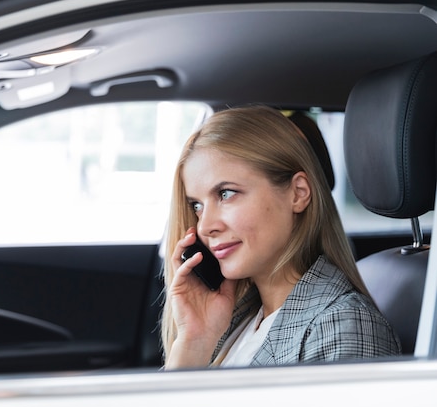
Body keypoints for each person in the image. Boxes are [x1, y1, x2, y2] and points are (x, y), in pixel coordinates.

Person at [161, 105, 400, 369]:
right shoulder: (238, 315)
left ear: (297, 193)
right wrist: (194, 341)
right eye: (197, 205)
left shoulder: (343, 326)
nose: (205, 226)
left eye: (226, 194)